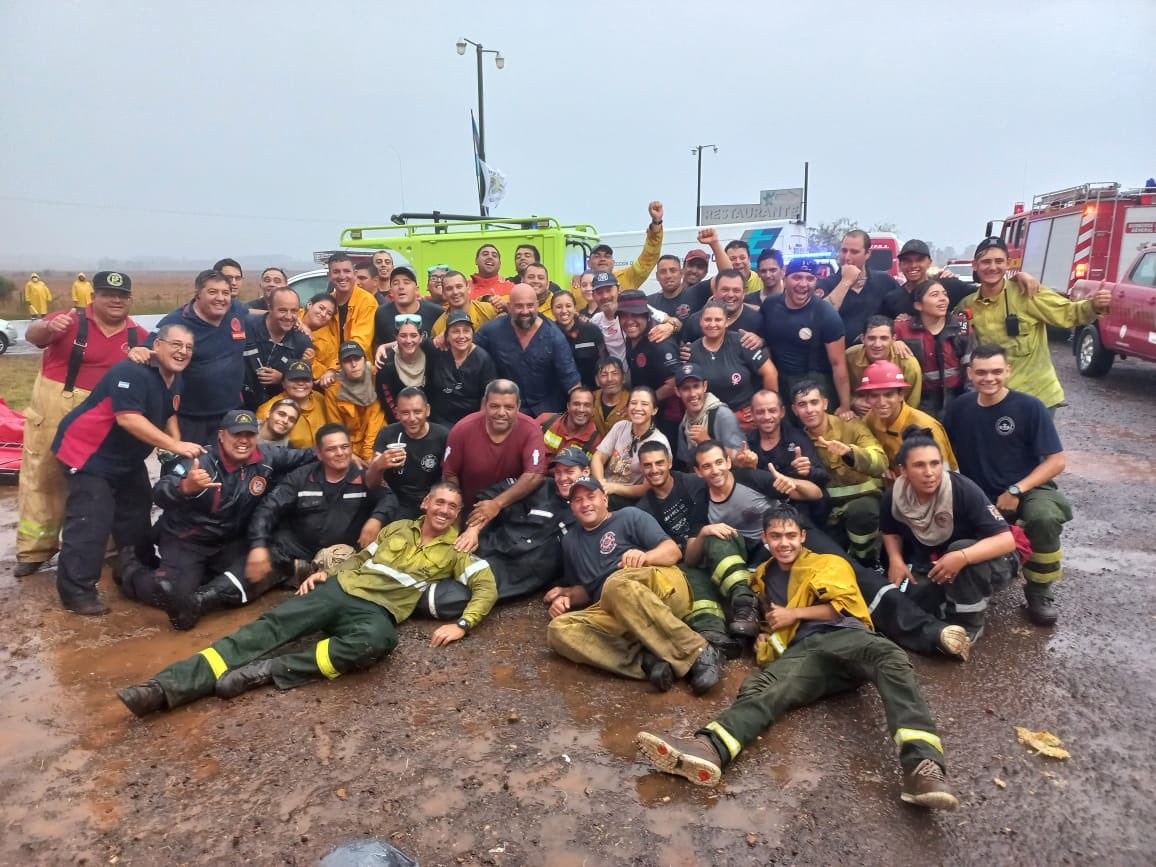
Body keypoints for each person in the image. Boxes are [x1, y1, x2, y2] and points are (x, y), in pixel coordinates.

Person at [635, 502, 958, 811]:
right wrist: (767, 639)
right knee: (767, 688)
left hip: (847, 637)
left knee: (891, 657)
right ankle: (710, 748)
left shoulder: (829, 563)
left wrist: (793, 614)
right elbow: (773, 626)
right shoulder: (762, 575)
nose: (784, 543)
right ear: (765, 538)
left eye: (791, 535)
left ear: (803, 536)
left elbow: (841, 606)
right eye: (775, 536)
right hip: (805, 655)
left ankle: (923, 768)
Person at [117, 482, 497, 717]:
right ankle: (163, 689)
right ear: (426, 503)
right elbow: (362, 557)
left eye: (452, 507)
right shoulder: (398, 527)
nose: (444, 510)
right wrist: (326, 573)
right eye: (440, 502)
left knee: (379, 643)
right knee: (266, 628)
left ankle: (269, 672)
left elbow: (487, 587)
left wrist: (462, 624)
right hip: (338, 590)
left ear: (457, 514)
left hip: (377, 612)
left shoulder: (457, 549)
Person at [49, 324, 202, 615]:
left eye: (189, 347)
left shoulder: (176, 379)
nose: (182, 352)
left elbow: (170, 413)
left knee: (136, 511)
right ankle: (76, 591)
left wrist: (174, 446)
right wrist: (176, 444)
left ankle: (137, 567)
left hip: (125, 458)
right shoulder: (130, 372)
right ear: (157, 345)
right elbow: (129, 419)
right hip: (87, 453)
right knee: (92, 518)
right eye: (176, 344)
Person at [117, 409, 316, 628]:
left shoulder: (267, 456)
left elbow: (306, 455)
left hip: (228, 540)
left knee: (253, 572)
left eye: (249, 435)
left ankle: (196, 578)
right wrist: (186, 486)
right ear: (221, 435)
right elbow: (161, 492)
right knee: (173, 592)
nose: (243, 441)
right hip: (188, 540)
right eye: (236, 434)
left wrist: (342, 454)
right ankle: (130, 571)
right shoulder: (200, 461)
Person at [15, 271, 148, 578]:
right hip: (57, 404)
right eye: (107, 294)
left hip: (104, 413)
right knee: (44, 475)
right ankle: (34, 549)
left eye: (122, 296)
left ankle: (107, 548)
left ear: (130, 300)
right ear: (93, 297)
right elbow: (34, 335)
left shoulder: (138, 335)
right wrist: (47, 326)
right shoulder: (69, 320)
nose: (115, 300)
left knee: (103, 479)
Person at [544, 477, 723, 694]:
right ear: (572, 508)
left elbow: (673, 552)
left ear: (605, 499)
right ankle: (649, 661)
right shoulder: (571, 541)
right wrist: (568, 596)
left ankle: (698, 651)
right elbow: (587, 589)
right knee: (558, 630)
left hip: (661, 588)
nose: (585, 504)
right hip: (619, 609)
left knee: (616, 583)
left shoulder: (629, 516)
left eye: (591, 497)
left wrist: (645, 556)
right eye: (578, 500)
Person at [944, 344, 1071, 626]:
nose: (989, 378)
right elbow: (943, 452)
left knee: (1045, 517)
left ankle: (1039, 590)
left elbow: (1056, 461)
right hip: (978, 494)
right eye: (981, 372)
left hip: (1027, 489)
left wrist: (1017, 490)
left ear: (1008, 371)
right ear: (970, 373)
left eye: (997, 371)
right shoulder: (959, 409)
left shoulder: (1030, 407)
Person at [880, 427, 1019, 643]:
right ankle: (948, 599)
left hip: (988, 561)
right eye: (919, 465)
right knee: (910, 605)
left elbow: (1007, 540)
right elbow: (890, 531)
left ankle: (970, 624)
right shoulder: (895, 496)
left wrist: (962, 557)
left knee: (959, 548)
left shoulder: (962, 489)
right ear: (903, 470)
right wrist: (895, 560)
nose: (929, 472)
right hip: (933, 563)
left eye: (935, 463)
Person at [424, 446, 587, 619]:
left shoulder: (590, 509)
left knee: (439, 601)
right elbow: (489, 498)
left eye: (569, 471)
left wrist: (568, 590)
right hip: (487, 548)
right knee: (427, 568)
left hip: (516, 574)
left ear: (586, 471)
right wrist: (473, 529)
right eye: (558, 472)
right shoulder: (540, 487)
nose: (562, 478)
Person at [687, 440, 825, 638]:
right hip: (741, 557)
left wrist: (793, 482)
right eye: (707, 466)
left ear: (728, 462)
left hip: (777, 544)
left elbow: (816, 493)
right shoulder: (702, 499)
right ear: (698, 472)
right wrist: (704, 532)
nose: (715, 471)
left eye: (719, 463)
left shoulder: (750, 478)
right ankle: (745, 608)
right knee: (713, 537)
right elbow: (691, 558)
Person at [957, 236, 1110, 411]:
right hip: (994, 397)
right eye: (986, 262)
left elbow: (1069, 313)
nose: (992, 267)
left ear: (1008, 263)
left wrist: (1094, 305)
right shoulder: (967, 306)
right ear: (975, 265)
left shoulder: (1028, 293)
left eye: (999, 261)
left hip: (1037, 398)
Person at [246, 423, 399, 593]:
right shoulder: (300, 476)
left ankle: (305, 574)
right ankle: (295, 571)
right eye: (332, 449)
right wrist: (258, 545)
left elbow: (389, 498)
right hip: (297, 548)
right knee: (245, 576)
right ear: (319, 453)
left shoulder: (365, 476)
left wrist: (376, 519)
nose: (340, 453)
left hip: (342, 555)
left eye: (345, 447)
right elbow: (268, 508)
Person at [634, 441, 741, 660]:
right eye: (647, 465)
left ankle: (744, 605)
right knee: (686, 576)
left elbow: (724, 479)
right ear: (641, 469)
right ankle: (713, 635)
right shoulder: (643, 510)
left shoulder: (694, 482)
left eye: (659, 463)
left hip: (722, 543)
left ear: (670, 462)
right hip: (688, 560)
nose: (654, 470)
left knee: (716, 537)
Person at [147, 269, 251, 447]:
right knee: (186, 469)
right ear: (198, 294)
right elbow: (149, 348)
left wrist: (297, 321)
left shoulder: (236, 310)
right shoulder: (176, 321)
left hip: (230, 412)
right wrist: (140, 350)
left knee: (227, 469)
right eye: (213, 292)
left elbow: (257, 314)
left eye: (225, 293)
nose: (220, 298)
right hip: (189, 418)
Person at [791, 380, 888, 565]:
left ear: (825, 403)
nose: (809, 410)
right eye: (802, 405)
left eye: (814, 402)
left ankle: (869, 562)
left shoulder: (851, 426)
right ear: (794, 410)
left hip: (862, 502)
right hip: (827, 512)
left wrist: (849, 453)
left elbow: (881, 461)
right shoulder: (796, 441)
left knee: (863, 511)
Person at [760, 258, 855, 419]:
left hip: (815, 386)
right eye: (797, 277)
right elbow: (763, 334)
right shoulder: (770, 305)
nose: (803, 284)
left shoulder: (826, 314)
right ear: (785, 278)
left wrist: (845, 405)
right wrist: (759, 339)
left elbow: (838, 365)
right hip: (781, 384)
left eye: (810, 279)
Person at [442, 379, 548, 513]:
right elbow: (449, 473)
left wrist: (497, 504)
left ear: (518, 406)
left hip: (513, 512)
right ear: (484, 404)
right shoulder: (462, 429)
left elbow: (534, 474)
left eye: (509, 407)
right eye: (494, 406)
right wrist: (456, 510)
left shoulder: (531, 429)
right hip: (468, 510)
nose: (501, 413)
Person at [475, 284, 581, 416]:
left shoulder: (554, 335)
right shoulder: (491, 330)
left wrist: (580, 408)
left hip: (547, 413)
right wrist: (444, 339)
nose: (525, 311)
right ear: (509, 306)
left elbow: (570, 377)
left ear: (537, 305)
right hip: (505, 412)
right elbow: (469, 351)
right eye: (519, 306)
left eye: (530, 305)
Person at [687, 299, 778, 428]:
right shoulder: (691, 351)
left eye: (718, 320)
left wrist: (765, 408)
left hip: (744, 418)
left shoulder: (742, 342)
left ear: (726, 321)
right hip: (710, 419)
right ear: (700, 321)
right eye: (707, 320)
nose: (712, 324)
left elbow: (770, 372)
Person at [733, 390, 829, 504]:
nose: (767, 416)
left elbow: (823, 479)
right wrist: (745, 469)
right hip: (762, 506)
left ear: (782, 412)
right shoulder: (746, 443)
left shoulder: (798, 438)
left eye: (772, 411)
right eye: (760, 412)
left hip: (799, 505)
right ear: (752, 414)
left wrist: (808, 471)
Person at [367, 387, 451, 519]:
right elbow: (371, 484)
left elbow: (449, 477)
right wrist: (378, 466)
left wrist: (436, 495)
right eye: (405, 413)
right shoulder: (387, 434)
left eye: (417, 412)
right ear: (397, 413)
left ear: (427, 410)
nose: (412, 418)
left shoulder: (443, 436)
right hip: (395, 500)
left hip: (431, 500)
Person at [860, 361, 957, 473]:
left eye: (888, 395)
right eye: (874, 396)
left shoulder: (926, 427)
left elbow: (943, 475)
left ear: (901, 395)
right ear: (867, 398)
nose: (882, 402)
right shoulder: (870, 420)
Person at [894, 282, 974, 418]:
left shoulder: (961, 325)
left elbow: (972, 362)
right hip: (920, 399)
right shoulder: (902, 329)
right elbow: (870, 341)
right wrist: (893, 342)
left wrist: (972, 400)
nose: (943, 298)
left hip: (957, 396)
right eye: (934, 295)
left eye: (945, 294)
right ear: (918, 305)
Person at [616, 289, 681, 442]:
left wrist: (644, 404)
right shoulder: (631, 337)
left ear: (647, 315)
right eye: (624, 315)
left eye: (636, 314)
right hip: (645, 415)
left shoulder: (659, 342)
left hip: (666, 418)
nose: (629, 320)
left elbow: (673, 383)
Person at [816, 230, 898, 346]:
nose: (847, 257)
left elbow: (899, 316)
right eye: (844, 251)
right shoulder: (825, 284)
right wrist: (845, 282)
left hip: (875, 356)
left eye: (854, 252)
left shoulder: (885, 281)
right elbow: (820, 317)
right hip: (835, 358)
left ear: (867, 254)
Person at [591, 385, 671, 502]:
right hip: (605, 489)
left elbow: (646, 488)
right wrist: (601, 483)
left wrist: (613, 488)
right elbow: (598, 457)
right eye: (633, 403)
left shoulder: (659, 442)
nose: (638, 408)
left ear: (654, 410)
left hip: (628, 499)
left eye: (644, 404)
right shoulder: (620, 426)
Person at [426, 310, 498, 427]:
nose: (461, 336)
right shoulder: (437, 352)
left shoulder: (483, 359)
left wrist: (479, 426)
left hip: (470, 422)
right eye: (455, 331)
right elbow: (411, 342)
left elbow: (487, 396)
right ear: (447, 336)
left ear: (472, 334)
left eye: (466, 331)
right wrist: (384, 346)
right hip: (438, 421)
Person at [588, 271, 678, 365]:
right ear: (594, 296)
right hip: (615, 376)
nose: (605, 296)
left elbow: (675, 321)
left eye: (609, 290)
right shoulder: (595, 320)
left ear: (619, 289)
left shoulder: (638, 308)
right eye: (599, 292)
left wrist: (670, 326)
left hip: (641, 371)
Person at [243, 287, 312, 408]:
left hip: (276, 412)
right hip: (239, 406)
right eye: (282, 310)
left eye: (294, 311)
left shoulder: (301, 342)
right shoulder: (247, 326)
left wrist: (282, 378)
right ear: (269, 308)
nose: (289, 316)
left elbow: (305, 381)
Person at [846, 315, 923, 417]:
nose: (877, 344)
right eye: (871, 338)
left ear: (893, 339)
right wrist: (853, 402)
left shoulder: (908, 363)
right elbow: (838, 390)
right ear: (863, 339)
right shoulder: (849, 357)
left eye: (884, 338)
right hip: (859, 417)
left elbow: (912, 405)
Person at [672, 364, 744, 468]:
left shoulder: (723, 415)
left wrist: (707, 442)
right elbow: (688, 465)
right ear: (677, 392)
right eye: (686, 388)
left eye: (696, 386)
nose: (692, 394)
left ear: (705, 386)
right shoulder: (684, 425)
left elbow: (741, 460)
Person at [323, 341, 385, 461]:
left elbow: (375, 420)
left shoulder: (376, 377)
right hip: (349, 450)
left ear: (365, 359)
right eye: (347, 361)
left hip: (376, 442)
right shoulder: (333, 389)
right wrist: (350, 456)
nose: (353, 364)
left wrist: (368, 456)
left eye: (357, 358)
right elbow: (336, 428)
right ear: (340, 365)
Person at [587, 200, 666, 290]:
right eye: (597, 256)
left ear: (613, 263)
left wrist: (657, 222)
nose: (602, 259)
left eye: (607, 256)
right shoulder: (579, 286)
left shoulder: (627, 278)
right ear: (588, 263)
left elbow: (648, 259)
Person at [678, 268, 764, 344]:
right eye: (725, 290)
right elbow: (683, 350)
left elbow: (768, 352)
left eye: (736, 290)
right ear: (714, 291)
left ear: (743, 293)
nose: (730, 295)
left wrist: (761, 342)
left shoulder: (756, 321)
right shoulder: (695, 321)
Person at [257, 360, 330, 449]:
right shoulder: (268, 410)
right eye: (294, 379)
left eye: (305, 379)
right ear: (283, 383)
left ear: (312, 383)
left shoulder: (320, 398)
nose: (300, 383)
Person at [324, 252, 377, 358]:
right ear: (329, 276)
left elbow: (361, 343)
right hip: (328, 368)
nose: (342, 276)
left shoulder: (367, 301)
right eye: (336, 272)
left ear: (355, 274)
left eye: (347, 271)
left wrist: (336, 367)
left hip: (357, 365)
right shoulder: (326, 303)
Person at [373, 267, 443, 346]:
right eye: (395, 283)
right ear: (391, 292)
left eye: (406, 282)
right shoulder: (382, 313)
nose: (401, 287)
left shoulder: (436, 312)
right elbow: (377, 346)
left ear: (416, 290)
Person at [552, 289, 605, 389]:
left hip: (590, 392)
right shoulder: (549, 334)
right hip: (560, 394)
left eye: (568, 306)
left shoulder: (591, 330)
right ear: (552, 310)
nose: (564, 311)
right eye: (559, 307)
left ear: (574, 308)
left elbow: (603, 359)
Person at [375, 318, 427, 419]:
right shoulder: (385, 364)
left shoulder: (430, 354)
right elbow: (387, 400)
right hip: (399, 421)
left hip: (431, 419)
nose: (408, 341)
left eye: (414, 336)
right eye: (403, 336)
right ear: (396, 338)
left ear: (421, 338)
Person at [537, 386, 601, 459]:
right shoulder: (545, 421)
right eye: (576, 404)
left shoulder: (594, 441)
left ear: (593, 409)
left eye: (587, 405)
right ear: (568, 406)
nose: (581, 409)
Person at [432, 270, 499, 336]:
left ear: (468, 289)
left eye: (459, 287)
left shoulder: (488, 310)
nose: (455, 292)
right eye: (449, 289)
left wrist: (504, 307)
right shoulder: (439, 328)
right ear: (444, 293)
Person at [301, 293, 340, 385]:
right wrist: (298, 323)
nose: (323, 314)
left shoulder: (328, 342)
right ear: (310, 305)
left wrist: (311, 361)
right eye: (321, 308)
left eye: (329, 313)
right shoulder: (294, 315)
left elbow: (327, 372)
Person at [592, 357, 629, 436]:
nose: (609, 379)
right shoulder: (589, 399)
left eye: (615, 373)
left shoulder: (633, 402)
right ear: (597, 380)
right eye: (604, 375)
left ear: (624, 377)